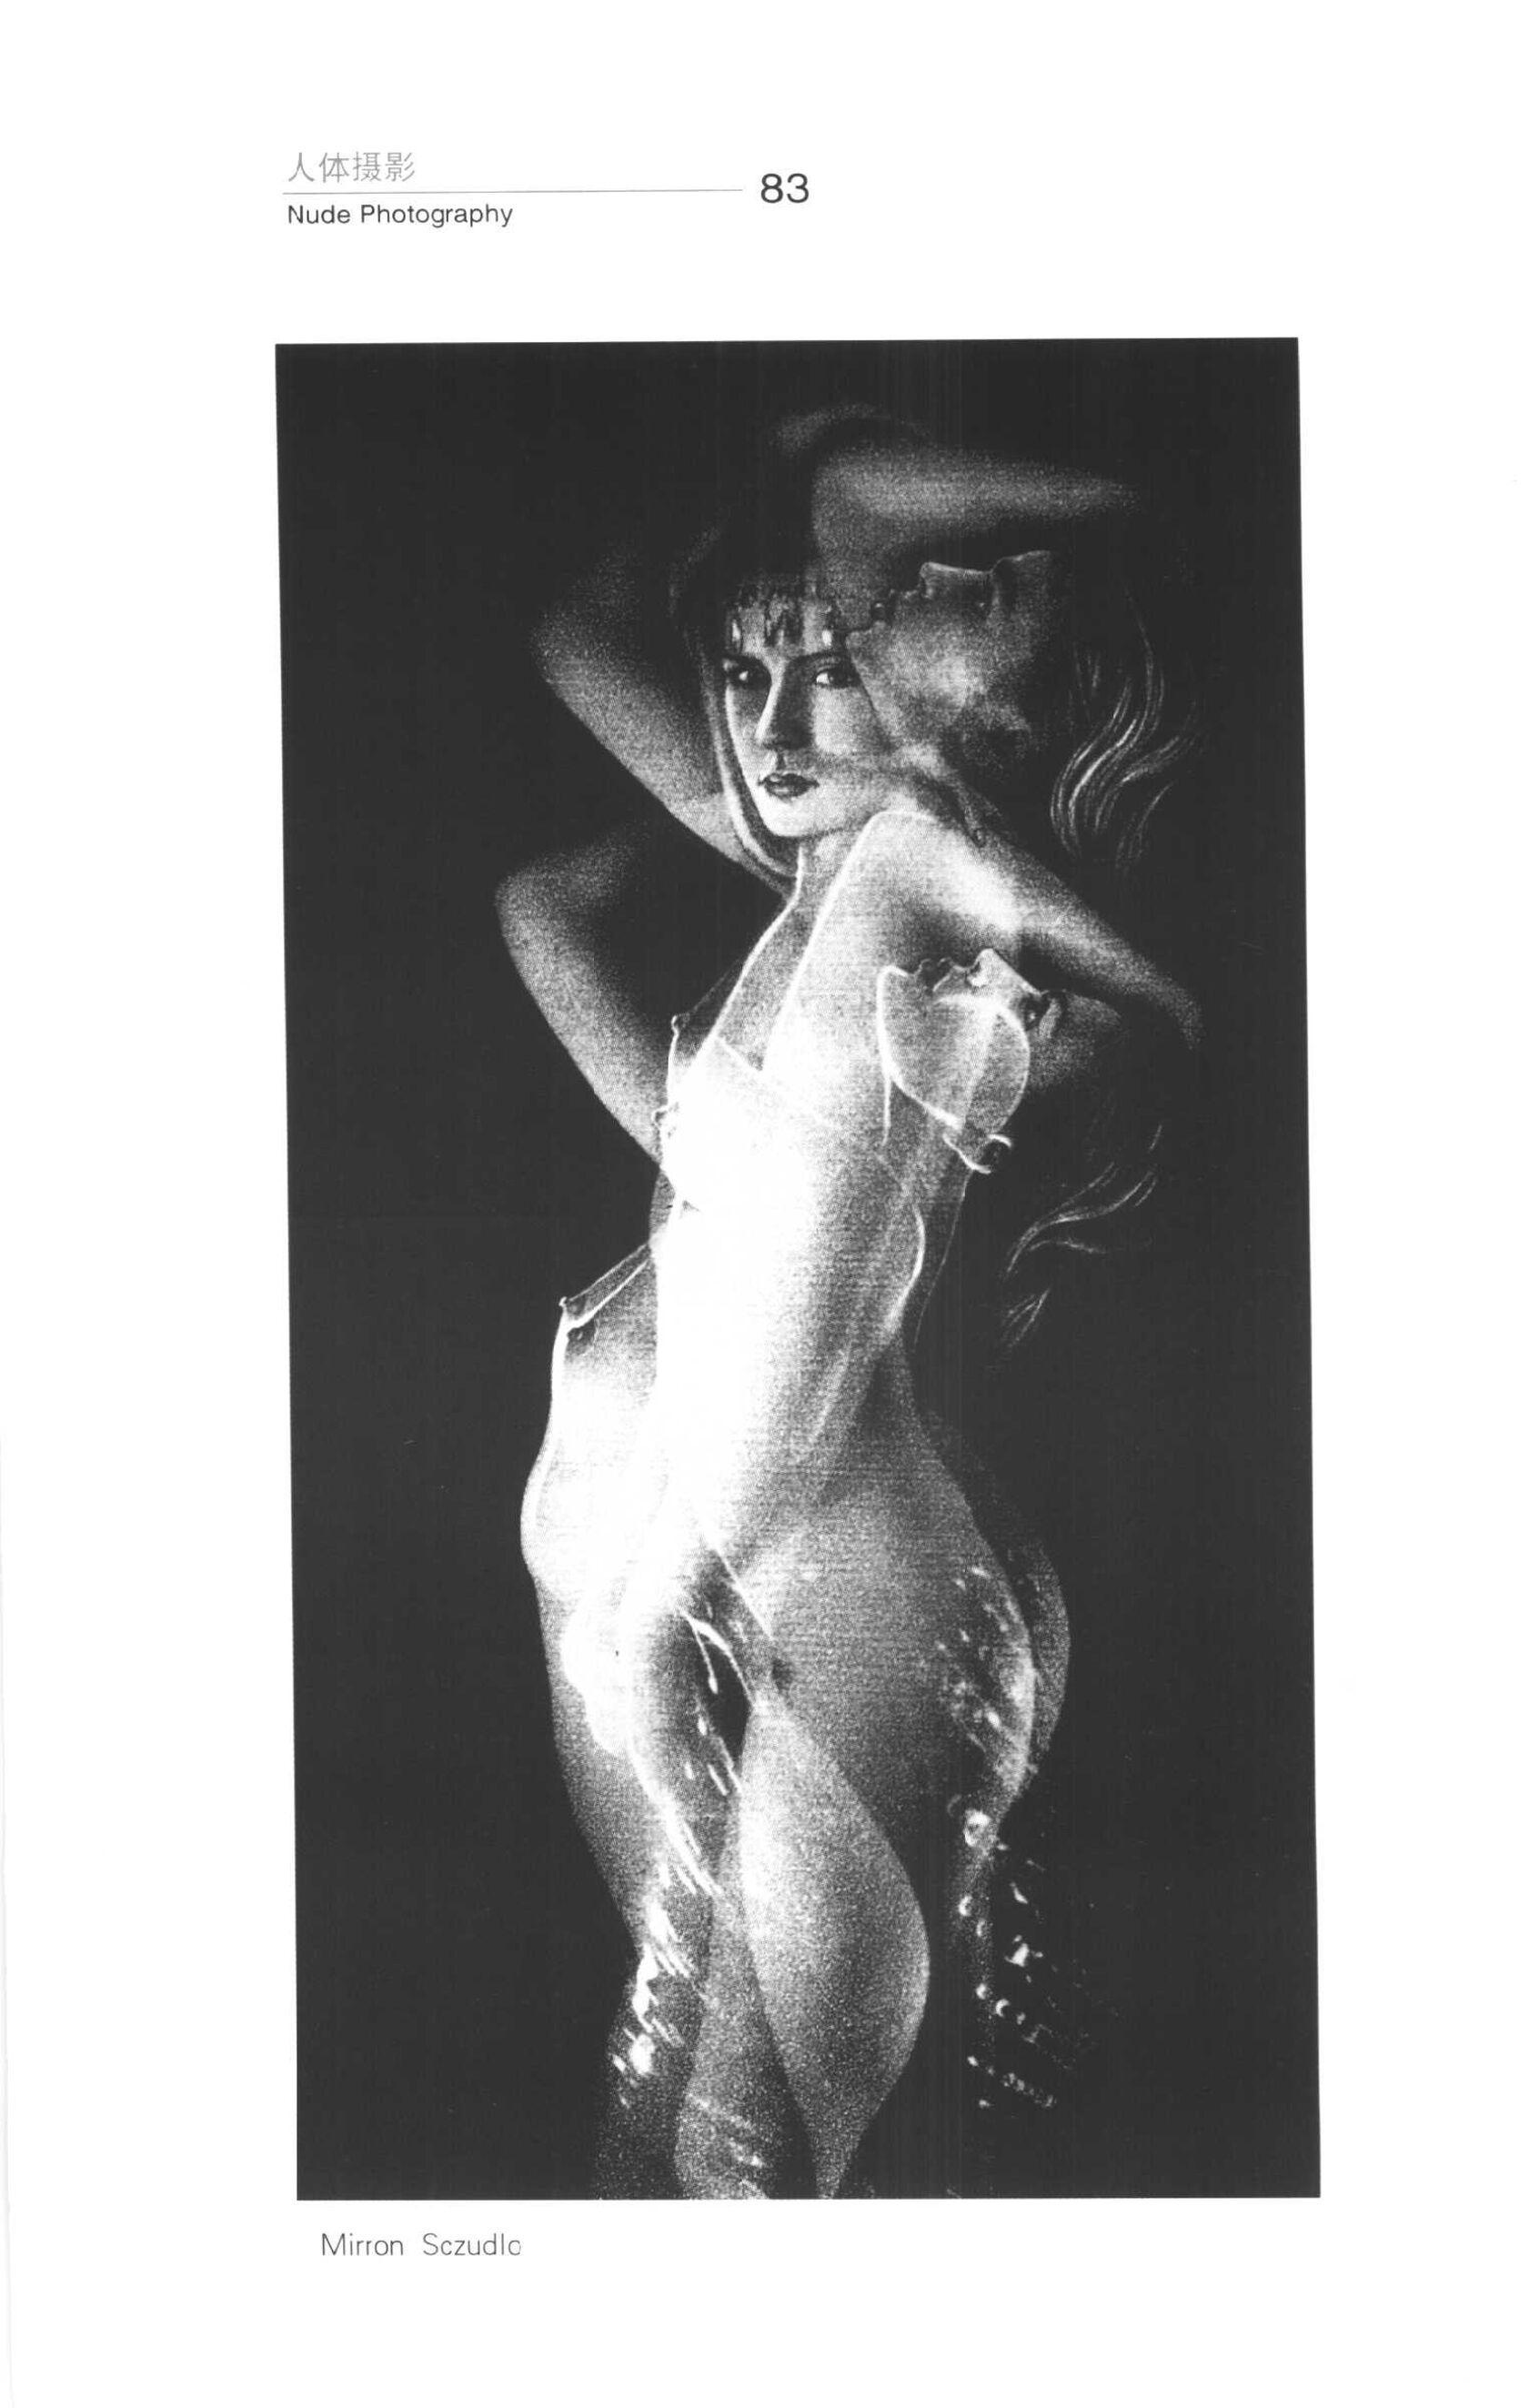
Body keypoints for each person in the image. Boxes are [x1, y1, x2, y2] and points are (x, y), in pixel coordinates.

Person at [497, 411, 1199, 2197]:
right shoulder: (820, 886)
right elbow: (571, 686)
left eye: (844, 642)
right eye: (747, 666)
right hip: (685, 1564)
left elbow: (1173, 1020)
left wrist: (829, 466)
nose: (770, 714)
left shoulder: (932, 874)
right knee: (683, 2153)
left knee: (736, 2182)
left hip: (821, 1577)